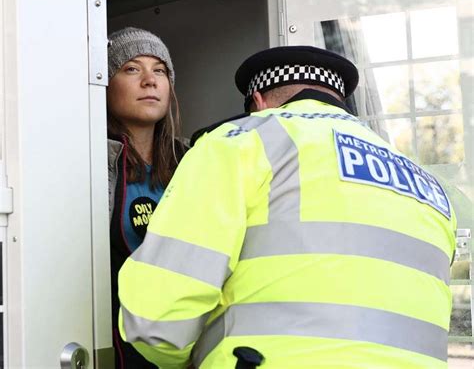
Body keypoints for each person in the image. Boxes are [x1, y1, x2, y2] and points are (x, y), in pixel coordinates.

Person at [117, 45, 457, 368]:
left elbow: (157, 319)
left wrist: (176, 361)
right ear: (339, 100)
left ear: (258, 102)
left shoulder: (240, 142)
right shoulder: (426, 183)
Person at [106, 27, 186, 368]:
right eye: (131, 68)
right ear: (104, 83)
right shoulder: (89, 164)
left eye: (160, 70)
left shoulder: (194, 161)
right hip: (111, 345)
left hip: (179, 344)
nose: (149, 81)